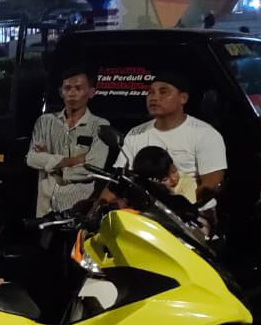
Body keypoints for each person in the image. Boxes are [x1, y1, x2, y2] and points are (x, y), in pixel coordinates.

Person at [121, 72, 227, 207]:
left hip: (192, 215)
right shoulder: (135, 134)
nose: (154, 98)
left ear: (183, 98)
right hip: (145, 213)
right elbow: (120, 179)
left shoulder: (205, 133)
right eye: (151, 93)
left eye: (163, 92)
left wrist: (180, 206)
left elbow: (212, 183)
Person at [27, 66, 112, 215]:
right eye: (67, 88)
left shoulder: (100, 125)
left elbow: (95, 167)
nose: (72, 93)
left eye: (78, 88)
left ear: (91, 92)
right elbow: (32, 159)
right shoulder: (45, 122)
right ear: (61, 92)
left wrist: (52, 164)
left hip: (78, 208)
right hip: (45, 208)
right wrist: (74, 160)